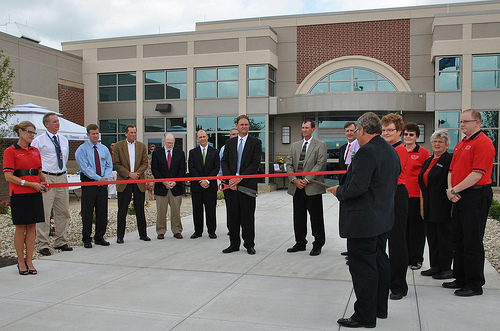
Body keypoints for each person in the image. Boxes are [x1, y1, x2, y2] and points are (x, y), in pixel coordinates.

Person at [328, 112, 400, 328]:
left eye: (356, 130)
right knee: (379, 262)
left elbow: (356, 187)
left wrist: (338, 190)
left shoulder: (366, 153)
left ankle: (364, 316)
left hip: (364, 222)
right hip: (382, 218)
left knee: (363, 269)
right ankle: (379, 308)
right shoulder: (390, 149)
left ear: (362, 130)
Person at [443, 109, 495, 297]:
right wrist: (451, 191)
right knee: (458, 238)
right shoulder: (461, 144)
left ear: (477, 123)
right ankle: (460, 277)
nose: (462, 124)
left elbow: (477, 174)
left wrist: (455, 190)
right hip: (459, 195)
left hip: (476, 196)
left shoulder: (483, 143)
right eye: (461, 121)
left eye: (466, 121)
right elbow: (451, 170)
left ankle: (474, 284)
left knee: (472, 240)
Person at [3, 121, 48, 275]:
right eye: (29, 132)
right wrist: (28, 183)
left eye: (33, 132)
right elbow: (8, 176)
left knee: (32, 226)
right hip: (20, 193)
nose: (31, 135)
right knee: (20, 227)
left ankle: (30, 260)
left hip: (35, 192)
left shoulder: (35, 150)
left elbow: (39, 171)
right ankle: (20, 261)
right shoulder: (11, 151)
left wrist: (44, 180)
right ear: (20, 132)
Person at [31, 113, 72, 256]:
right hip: (47, 177)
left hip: (61, 176)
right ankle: (43, 243)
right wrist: (40, 177)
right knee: (45, 211)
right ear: (46, 124)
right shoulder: (39, 140)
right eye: (54, 122)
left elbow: (64, 157)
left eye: (58, 121)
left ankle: (61, 240)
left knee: (63, 211)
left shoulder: (63, 140)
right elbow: (34, 160)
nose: (57, 124)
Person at [221, 115, 262, 255]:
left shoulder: (255, 142)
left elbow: (255, 164)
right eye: (242, 124)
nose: (244, 126)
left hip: (247, 186)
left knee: (248, 216)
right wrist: (231, 180)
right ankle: (234, 244)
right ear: (237, 126)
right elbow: (224, 162)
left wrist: (240, 178)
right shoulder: (229, 143)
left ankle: (249, 244)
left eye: (246, 124)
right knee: (232, 216)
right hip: (231, 186)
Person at [286, 120, 327, 256]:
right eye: (302, 127)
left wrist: (306, 179)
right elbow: (289, 164)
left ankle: (318, 244)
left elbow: (320, 164)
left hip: (312, 187)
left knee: (316, 218)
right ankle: (300, 242)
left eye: (307, 127)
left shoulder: (320, 145)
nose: (304, 130)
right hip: (297, 188)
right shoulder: (295, 146)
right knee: (298, 217)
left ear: (313, 129)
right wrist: (295, 180)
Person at [418, 129, 454, 280]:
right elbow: (422, 184)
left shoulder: (450, 159)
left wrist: (452, 204)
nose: (437, 144)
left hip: (443, 205)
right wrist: (422, 205)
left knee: (443, 237)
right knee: (432, 237)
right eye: (435, 141)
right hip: (429, 205)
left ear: (446, 144)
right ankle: (435, 266)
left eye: (441, 141)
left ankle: (446, 268)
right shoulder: (428, 161)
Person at [381, 113, 409, 300]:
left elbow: (390, 175)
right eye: (383, 130)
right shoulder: (386, 148)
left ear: (399, 131)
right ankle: (388, 278)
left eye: (390, 130)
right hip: (385, 196)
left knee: (397, 241)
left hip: (397, 195)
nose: (386, 133)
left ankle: (399, 285)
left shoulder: (400, 150)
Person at [75, 124, 113, 248]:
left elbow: (109, 165)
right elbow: (85, 168)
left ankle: (99, 237)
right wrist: (98, 178)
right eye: (93, 134)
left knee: (102, 210)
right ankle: (86, 238)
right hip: (89, 182)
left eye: (97, 133)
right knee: (87, 211)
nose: (95, 136)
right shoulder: (82, 149)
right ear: (88, 135)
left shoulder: (104, 149)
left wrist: (105, 178)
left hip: (102, 183)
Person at [113, 125, 150, 243]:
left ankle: (143, 234)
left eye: (135, 132)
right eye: (131, 132)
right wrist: (129, 174)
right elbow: (116, 164)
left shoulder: (142, 146)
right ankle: (120, 236)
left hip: (138, 181)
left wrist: (136, 174)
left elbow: (145, 163)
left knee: (140, 209)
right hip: (125, 181)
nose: (133, 134)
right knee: (122, 209)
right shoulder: (118, 146)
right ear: (125, 133)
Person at [403, 122, 429, 271]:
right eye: (406, 134)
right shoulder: (399, 150)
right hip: (401, 196)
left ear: (417, 137)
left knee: (417, 229)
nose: (408, 137)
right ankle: (405, 257)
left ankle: (416, 259)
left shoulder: (423, 153)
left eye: (411, 134)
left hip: (416, 196)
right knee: (403, 228)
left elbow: (425, 176)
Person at [151, 133, 186, 239]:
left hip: (176, 187)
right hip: (162, 187)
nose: (169, 144)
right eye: (168, 142)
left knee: (176, 211)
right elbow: (155, 169)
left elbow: (182, 169)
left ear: (174, 142)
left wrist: (175, 181)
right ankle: (160, 231)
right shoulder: (157, 153)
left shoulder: (180, 153)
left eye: (171, 142)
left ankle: (177, 230)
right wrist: (163, 181)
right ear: (164, 142)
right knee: (161, 211)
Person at [188, 129, 220, 239]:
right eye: (200, 137)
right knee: (197, 210)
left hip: (210, 186)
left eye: (204, 136)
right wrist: (201, 180)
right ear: (197, 139)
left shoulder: (215, 152)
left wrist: (207, 180)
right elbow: (191, 168)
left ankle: (211, 231)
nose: (202, 139)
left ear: (207, 137)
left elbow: (216, 167)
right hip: (197, 186)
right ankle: (198, 231)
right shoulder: (192, 152)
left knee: (211, 209)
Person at [338, 121, 360, 260]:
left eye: (352, 130)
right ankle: (350, 248)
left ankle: (355, 251)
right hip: (344, 185)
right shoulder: (343, 148)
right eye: (347, 131)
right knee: (347, 218)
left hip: (354, 186)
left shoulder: (362, 147)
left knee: (355, 217)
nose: (350, 133)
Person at [219, 128, 239, 233]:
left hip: (241, 182)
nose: (235, 136)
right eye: (233, 134)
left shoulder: (242, 147)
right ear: (230, 136)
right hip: (228, 183)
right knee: (231, 208)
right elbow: (222, 165)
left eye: (237, 134)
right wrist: (227, 180)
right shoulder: (224, 148)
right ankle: (231, 229)